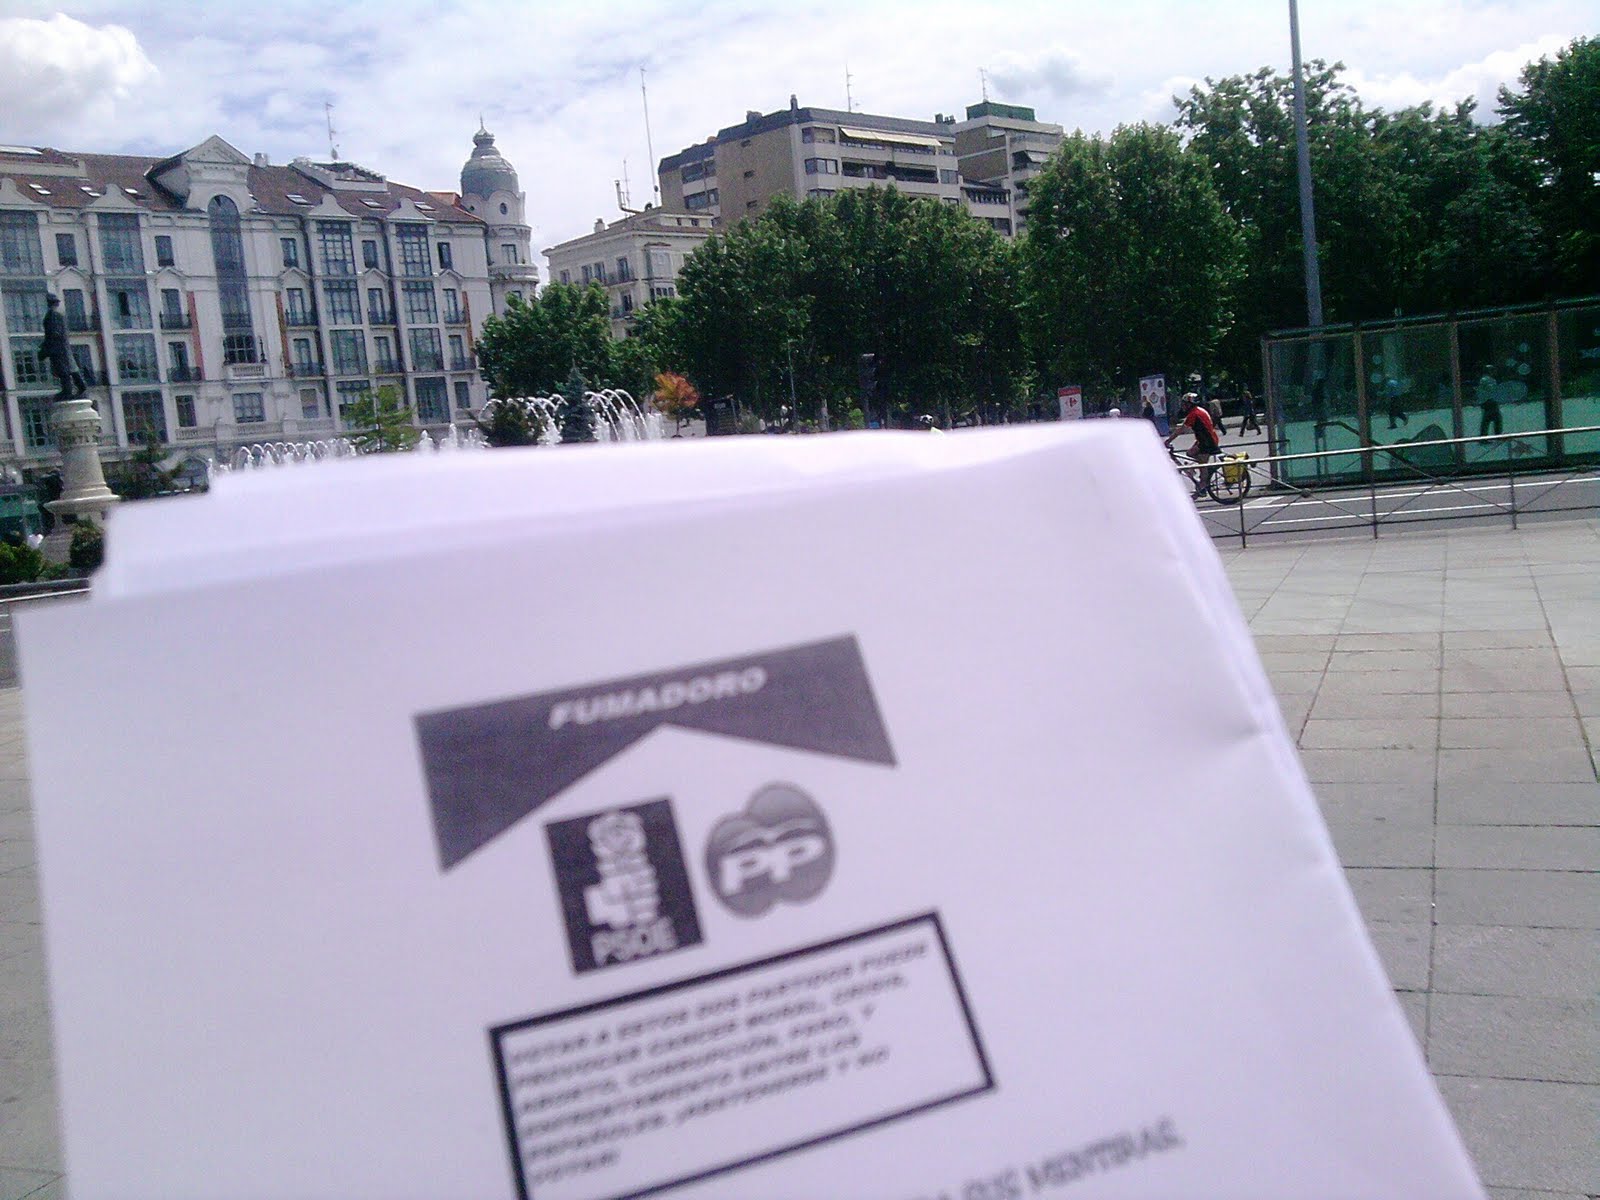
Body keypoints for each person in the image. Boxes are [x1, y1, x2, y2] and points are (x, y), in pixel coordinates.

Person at [1165, 393, 1220, 498]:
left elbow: (1181, 429)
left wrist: (1168, 440)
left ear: (1189, 404)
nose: (1183, 406)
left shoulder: (1194, 414)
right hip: (1204, 440)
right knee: (1190, 453)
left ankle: (1203, 487)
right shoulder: (1199, 410)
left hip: (1208, 442)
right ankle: (1196, 471)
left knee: (1202, 464)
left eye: (1184, 404)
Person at [38, 295, 88, 401]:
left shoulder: (52, 315)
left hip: (57, 348)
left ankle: (68, 390)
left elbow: (53, 333)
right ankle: (80, 386)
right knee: (70, 368)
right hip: (61, 346)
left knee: (63, 370)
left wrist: (46, 348)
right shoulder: (58, 314)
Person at [1477, 367, 1502, 438]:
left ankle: (1484, 436)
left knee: (1488, 419)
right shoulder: (1487, 380)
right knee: (1495, 418)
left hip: (1486, 401)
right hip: (1489, 401)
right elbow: (1491, 389)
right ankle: (1497, 435)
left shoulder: (1484, 379)